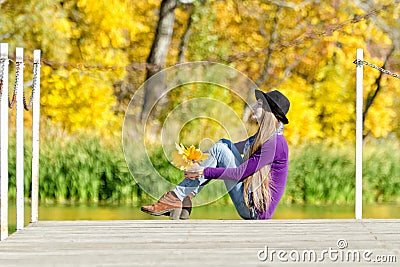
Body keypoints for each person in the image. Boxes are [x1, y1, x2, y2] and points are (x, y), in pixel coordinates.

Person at [141, 89, 290, 220]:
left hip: (253, 211)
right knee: (223, 144)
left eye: (259, 104)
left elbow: (239, 173)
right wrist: (197, 158)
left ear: (268, 111)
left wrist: (203, 171)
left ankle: (177, 197)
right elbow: (231, 148)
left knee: (221, 148)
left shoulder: (275, 144)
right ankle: (183, 197)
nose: (254, 106)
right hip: (249, 202)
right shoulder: (264, 137)